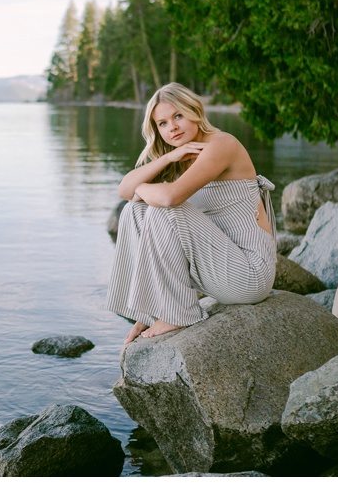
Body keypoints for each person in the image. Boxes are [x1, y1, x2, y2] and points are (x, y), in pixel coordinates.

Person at [106, 82, 277, 344]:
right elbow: (124, 190)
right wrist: (167, 158)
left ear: (195, 111)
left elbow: (170, 197)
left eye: (178, 116)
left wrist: (141, 188)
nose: (172, 127)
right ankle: (151, 310)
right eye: (162, 123)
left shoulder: (222, 144)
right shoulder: (180, 157)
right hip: (219, 270)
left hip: (249, 274)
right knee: (134, 210)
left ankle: (178, 313)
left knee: (165, 208)